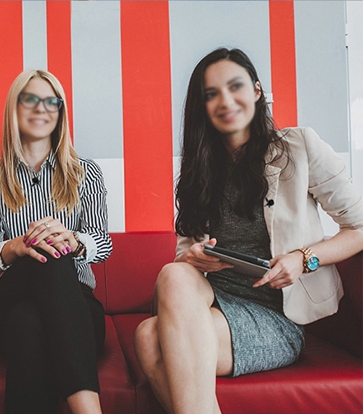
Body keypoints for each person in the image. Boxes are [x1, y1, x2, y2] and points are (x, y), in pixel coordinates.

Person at [134, 48, 363, 414]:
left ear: (256, 90)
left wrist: (303, 258)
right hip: (211, 299)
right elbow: (183, 257)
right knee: (174, 274)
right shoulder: (199, 170)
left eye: (235, 86)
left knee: (148, 338)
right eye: (212, 94)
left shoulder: (299, 146)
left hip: (276, 314)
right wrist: (195, 257)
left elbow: (359, 227)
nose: (226, 100)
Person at [0, 69, 113, 414]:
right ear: (14, 108)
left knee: (30, 320)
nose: (41, 108)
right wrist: (18, 246)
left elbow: (103, 245)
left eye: (52, 102)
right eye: (31, 99)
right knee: (43, 252)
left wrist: (73, 240)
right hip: (6, 303)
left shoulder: (86, 173)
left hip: (76, 307)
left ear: (60, 112)